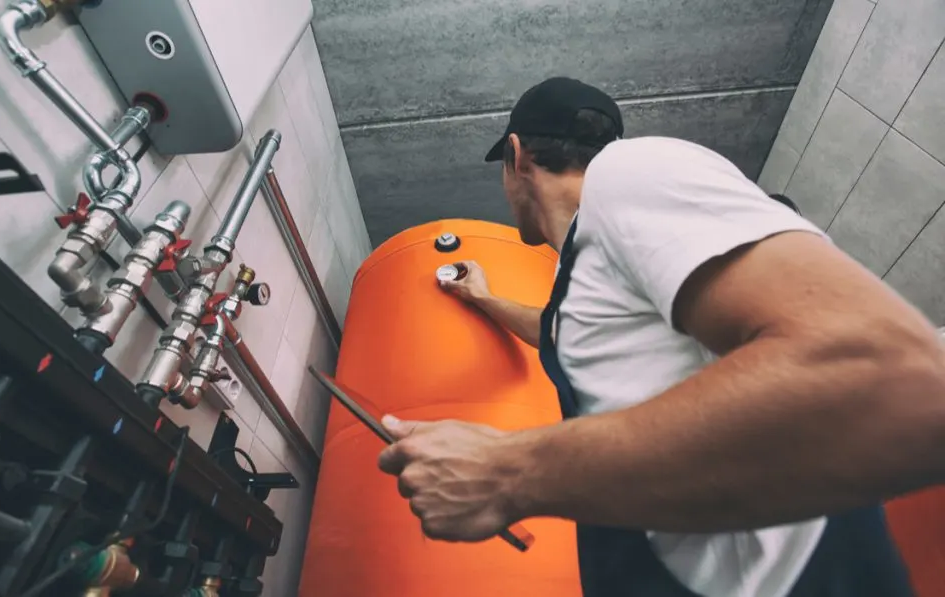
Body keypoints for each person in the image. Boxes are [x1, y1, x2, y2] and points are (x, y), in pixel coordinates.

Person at [375, 77, 945, 596]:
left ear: (517, 157)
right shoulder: (581, 264)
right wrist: (483, 298)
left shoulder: (629, 173)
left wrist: (506, 472)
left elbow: (888, 380)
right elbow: (559, 331)